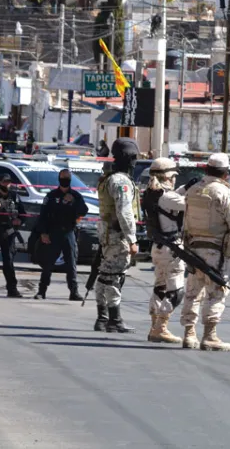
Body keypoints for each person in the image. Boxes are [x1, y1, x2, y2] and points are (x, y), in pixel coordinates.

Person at [181, 153, 230, 349]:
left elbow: (185, 222)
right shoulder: (225, 194)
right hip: (216, 252)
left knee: (193, 292)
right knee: (216, 292)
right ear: (225, 174)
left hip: (193, 249)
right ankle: (210, 335)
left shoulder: (193, 191)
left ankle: (189, 334)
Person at [95, 138, 141, 333]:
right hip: (117, 234)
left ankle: (103, 318)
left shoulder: (108, 178)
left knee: (105, 274)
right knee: (114, 276)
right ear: (127, 158)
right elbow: (125, 212)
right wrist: (132, 239)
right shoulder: (121, 181)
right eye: (134, 157)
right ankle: (114, 319)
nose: (136, 161)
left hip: (107, 233)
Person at [141, 157, 189, 344]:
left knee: (160, 287)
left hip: (158, 247)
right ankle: (161, 327)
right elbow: (187, 204)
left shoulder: (151, 193)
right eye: (173, 176)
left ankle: (155, 326)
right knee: (176, 291)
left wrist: (186, 188)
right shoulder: (168, 197)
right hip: (172, 248)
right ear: (168, 176)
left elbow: (170, 198)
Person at [34, 169, 89, 300]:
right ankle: (42, 291)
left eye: (67, 178)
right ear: (59, 179)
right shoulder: (52, 196)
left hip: (68, 232)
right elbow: (43, 216)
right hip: (53, 232)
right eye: (63, 177)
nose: (65, 180)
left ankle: (74, 292)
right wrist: (43, 233)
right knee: (48, 264)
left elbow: (84, 210)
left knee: (71, 263)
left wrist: (74, 202)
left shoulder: (75, 195)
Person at [0, 174, 25, 297]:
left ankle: (12, 289)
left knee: (9, 262)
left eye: (8, 182)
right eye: (4, 182)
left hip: (8, 232)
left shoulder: (14, 196)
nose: (6, 184)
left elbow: (23, 214)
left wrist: (19, 221)